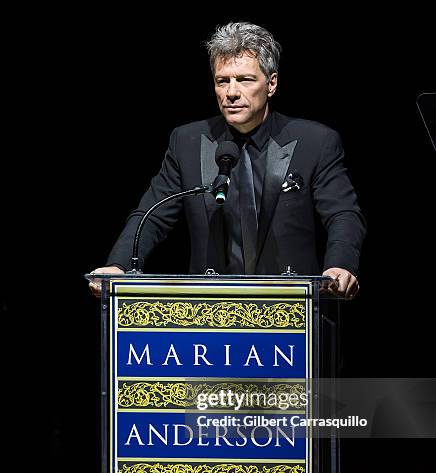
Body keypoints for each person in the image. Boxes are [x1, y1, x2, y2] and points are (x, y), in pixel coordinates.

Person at [89, 22, 365, 297]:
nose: (232, 92)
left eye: (245, 80)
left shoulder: (315, 142)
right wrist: (118, 266)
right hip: (209, 310)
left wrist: (339, 265)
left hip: (291, 307)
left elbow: (343, 213)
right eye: (223, 81)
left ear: (271, 83)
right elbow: (153, 214)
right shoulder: (187, 141)